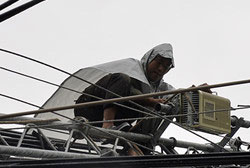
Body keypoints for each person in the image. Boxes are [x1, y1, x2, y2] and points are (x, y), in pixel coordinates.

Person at [37, 43, 177, 136]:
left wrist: (192, 94)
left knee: (164, 107)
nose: (160, 69)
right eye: (158, 63)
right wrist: (151, 101)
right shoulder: (132, 67)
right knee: (123, 80)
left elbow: (178, 94)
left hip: (118, 119)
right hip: (90, 108)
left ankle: (137, 150)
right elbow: (128, 92)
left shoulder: (160, 87)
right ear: (149, 58)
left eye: (165, 67)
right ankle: (107, 124)